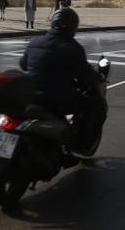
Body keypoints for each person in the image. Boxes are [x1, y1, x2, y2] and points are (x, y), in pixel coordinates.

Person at [18, 8, 104, 141]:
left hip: (29, 97)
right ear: (73, 27)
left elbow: (23, 65)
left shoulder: (35, 41)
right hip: (56, 100)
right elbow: (86, 76)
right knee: (95, 104)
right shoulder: (73, 48)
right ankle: (83, 143)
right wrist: (98, 79)